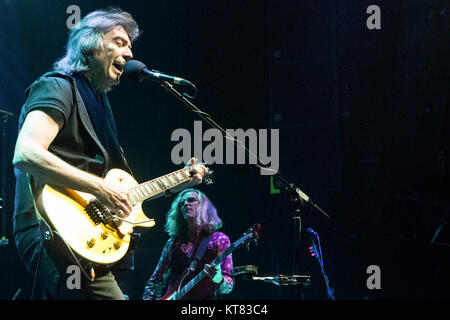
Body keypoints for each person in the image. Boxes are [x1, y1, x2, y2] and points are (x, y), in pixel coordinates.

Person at [12, 8, 207, 300]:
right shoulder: (56, 87)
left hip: (84, 237)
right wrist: (100, 187)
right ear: (89, 44)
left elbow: (122, 193)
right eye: (119, 41)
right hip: (48, 228)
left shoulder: (99, 104)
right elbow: (26, 154)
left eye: (130, 45)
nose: (129, 53)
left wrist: (180, 181)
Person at [142, 188, 234, 300]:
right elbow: (156, 280)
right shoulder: (172, 242)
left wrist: (220, 280)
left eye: (191, 200)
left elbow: (228, 286)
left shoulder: (219, 239)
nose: (185, 203)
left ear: (203, 206)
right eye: (181, 203)